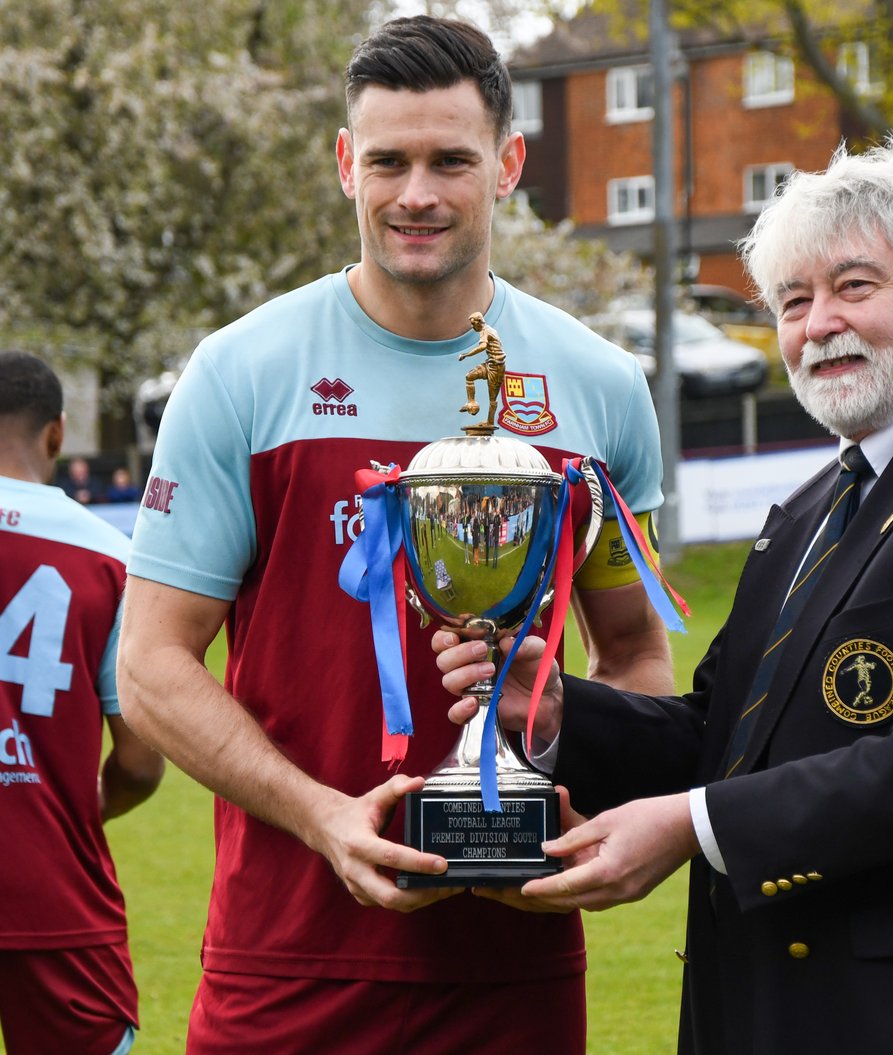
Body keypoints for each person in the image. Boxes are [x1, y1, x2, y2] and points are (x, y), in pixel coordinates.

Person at [436, 133, 893, 1054]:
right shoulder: (809, 509)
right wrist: (561, 712)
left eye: (853, 287)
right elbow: (724, 733)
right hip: (763, 1009)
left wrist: (693, 823)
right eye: (793, 302)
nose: (817, 324)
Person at [115, 15, 671, 1055]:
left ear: (507, 164)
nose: (418, 193)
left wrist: (570, 770)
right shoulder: (242, 372)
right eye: (389, 160)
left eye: (451, 160)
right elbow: (150, 661)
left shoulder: (596, 387)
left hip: (517, 963)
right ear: (345, 164)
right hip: (287, 956)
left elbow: (635, 650)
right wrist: (322, 814)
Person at [0, 351, 164, 1055]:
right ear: (58, 434)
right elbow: (140, 761)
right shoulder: (109, 556)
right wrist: (69, 802)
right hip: (54, 895)